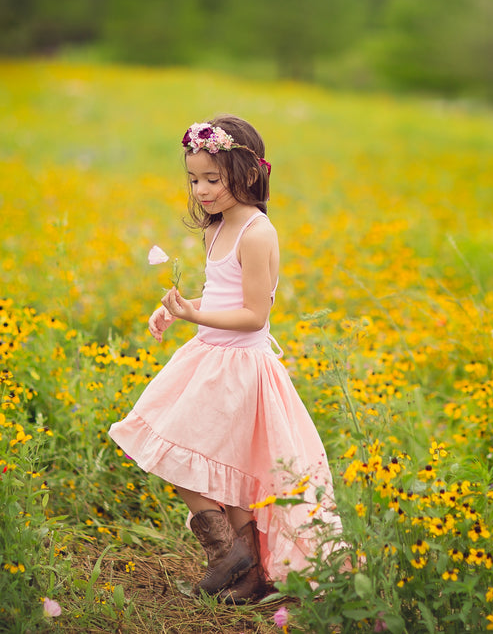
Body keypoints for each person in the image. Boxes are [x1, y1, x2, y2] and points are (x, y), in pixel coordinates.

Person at [109, 115, 339, 604]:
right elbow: (219, 292)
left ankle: (234, 560)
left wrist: (196, 314)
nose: (202, 190)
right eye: (194, 179)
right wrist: (176, 311)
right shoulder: (217, 227)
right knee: (186, 454)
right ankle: (239, 562)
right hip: (209, 356)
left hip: (240, 366)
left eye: (213, 179)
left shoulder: (257, 233)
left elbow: (255, 314)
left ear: (248, 173)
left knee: (206, 462)